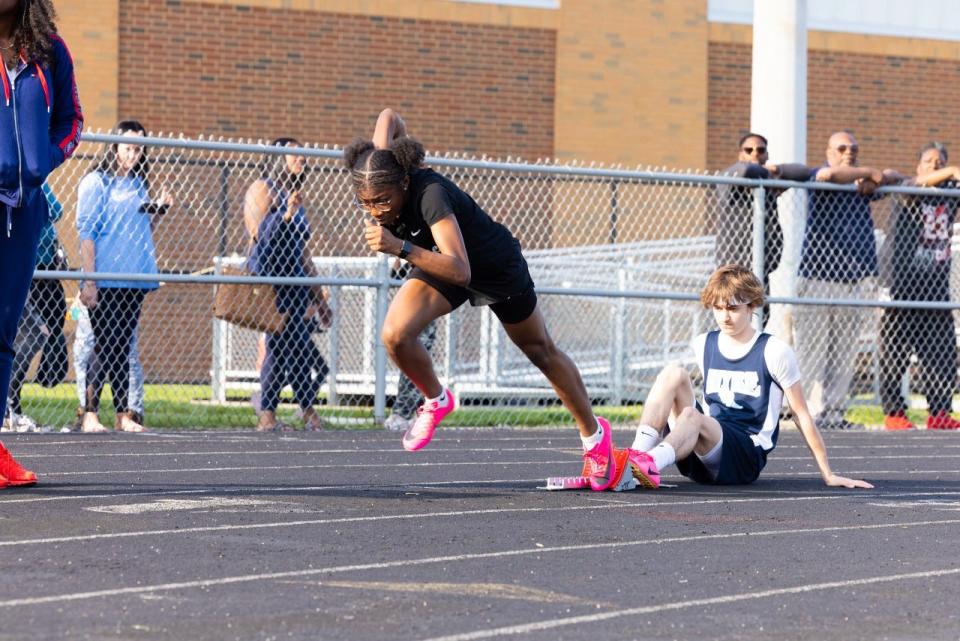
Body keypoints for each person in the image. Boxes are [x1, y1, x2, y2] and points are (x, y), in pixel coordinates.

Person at [345, 108, 617, 491]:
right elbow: (388, 116)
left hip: (488, 264)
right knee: (394, 335)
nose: (376, 211)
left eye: (383, 201)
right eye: (366, 203)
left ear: (404, 182)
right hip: (436, 260)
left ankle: (594, 438)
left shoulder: (431, 195)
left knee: (540, 351)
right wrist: (384, 150)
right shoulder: (380, 172)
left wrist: (400, 246)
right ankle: (436, 399)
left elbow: (462, 271)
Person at [618, 265, 873, 491]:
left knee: (691, 416)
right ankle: (636, 458)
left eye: (733, 308)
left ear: (752, 306)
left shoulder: (775, 351)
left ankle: (646, 464)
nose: (724, 317)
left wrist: (827, 474)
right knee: (673, 373)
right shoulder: (704, 343)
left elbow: (800, 414)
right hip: (703, 447)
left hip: (744, 454)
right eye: (718, 308)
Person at [0, 0, 82, 488]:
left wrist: (40, 164)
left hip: (24, 211)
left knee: (4, 330)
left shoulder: (49, 52)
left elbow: (71, 120)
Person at [792, 131, 896, 430]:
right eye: (842, 148)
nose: (849, 152)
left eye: (854, 148)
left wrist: (877, 178)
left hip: (854, 280)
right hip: (817, 279)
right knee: (812, 349)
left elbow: (898, 177)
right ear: (829, 150)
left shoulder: (863, 185)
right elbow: (828, 174)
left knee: (843, 352)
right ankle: (806, 414)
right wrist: (869, 172)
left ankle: (834, 414)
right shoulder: (820, 176)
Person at [77, 120, 171, 433]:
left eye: (139, 147)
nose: (134, 153)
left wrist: (159, 212)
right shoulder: (96, 181)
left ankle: (122, 415)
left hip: (134, 277)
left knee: (122, 347)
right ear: (115, 146)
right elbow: (87, 234)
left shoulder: (138, 184)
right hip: (105, 278)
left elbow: (143, 230)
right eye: (128, 146)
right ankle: (90, 413)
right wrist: (90, 281)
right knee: (106, 344)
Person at [245, 138, 331, 432]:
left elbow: (304, 252)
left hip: (296, 283)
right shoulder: (263, 188)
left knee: (299, 348)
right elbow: (260, 238)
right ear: (278, 156)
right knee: (278, 347)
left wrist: (319, 299)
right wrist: (286, 215)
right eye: (295, 154)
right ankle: (269, 414)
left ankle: (304, 411)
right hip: (272, 282)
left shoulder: (294, 194)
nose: (302, 159)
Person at [878, 142, 960, 431]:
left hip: (935, 288)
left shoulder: (951, 195)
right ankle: (895, 414)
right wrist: (951, 170)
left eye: (941, 162)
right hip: (901, 286)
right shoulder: (908, 186)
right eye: (930, 161)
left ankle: (939, 413)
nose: (935, 165)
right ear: (919, 166)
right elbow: (910, 185)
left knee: (942, 352)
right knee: (895, 353)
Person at [713, 133, 809, 326]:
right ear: (740, 154)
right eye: (749, 150)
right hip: (734, 271)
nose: (755, 153)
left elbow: (805, 173)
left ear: (767, 154)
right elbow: (745, 170)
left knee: (758, 324)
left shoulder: (766, 181)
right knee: (731, 323)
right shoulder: (732, 176)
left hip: (761, 270)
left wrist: (777, 170)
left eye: (761, 150)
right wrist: (768, 176)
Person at [5, 183, 66, 432]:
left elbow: (57, 211)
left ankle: (18, 400)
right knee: (30, 335)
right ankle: (10, 402)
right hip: (24, 266)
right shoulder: (12, 179)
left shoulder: (38, 181)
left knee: (50, 325)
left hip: (45, 268)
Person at [70, 295, 145, 429]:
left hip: (128, 290)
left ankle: (129, 412)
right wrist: (85, 289)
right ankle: (88, 412)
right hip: (101, 288)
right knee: (96, 351)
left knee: (125, 350)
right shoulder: (88, 295)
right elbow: (72, 315)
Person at [384, 260, 437, 433]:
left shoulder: (431, 258)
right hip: (412, 318)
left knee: (417, 368)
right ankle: (408, 412)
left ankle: (405, 413)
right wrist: (399, 258)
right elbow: (396, 276)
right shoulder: (414, 260)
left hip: (423, 317)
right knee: (411, 367)